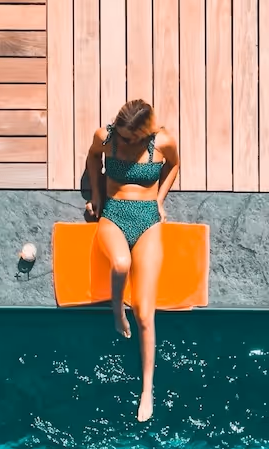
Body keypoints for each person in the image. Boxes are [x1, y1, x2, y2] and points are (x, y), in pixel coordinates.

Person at [82, 99, 180, 421]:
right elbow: (94, 159)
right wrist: (96, 196)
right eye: (120, 135)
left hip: (148, 218)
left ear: (143, 133)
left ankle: (146, 390)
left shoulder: (163, 141)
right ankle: (115, 312)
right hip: (114, 215)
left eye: (128, 138)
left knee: (145, 313)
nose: (122, 141)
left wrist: (161, 201)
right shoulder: (105, 137)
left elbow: (174, 166)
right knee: (120, 263)